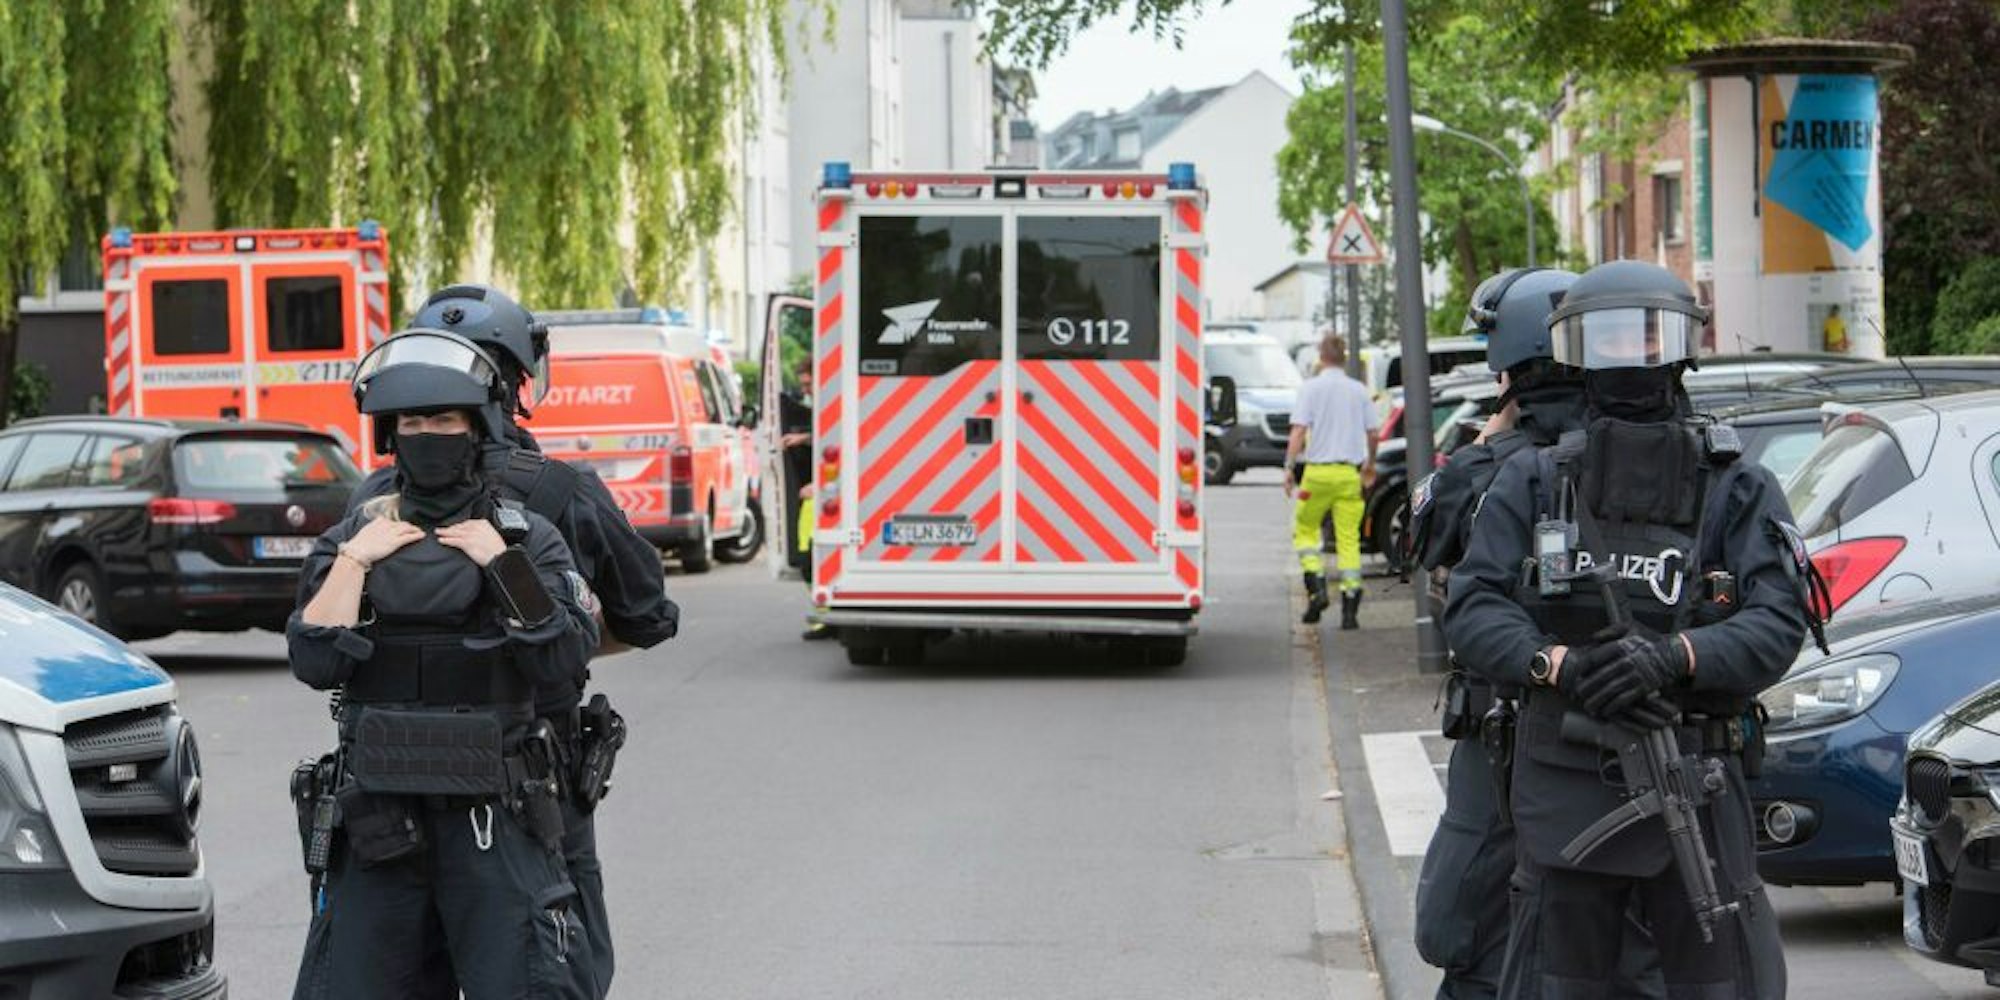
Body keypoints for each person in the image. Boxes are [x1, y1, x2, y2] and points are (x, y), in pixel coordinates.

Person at [1445, 260, 1819, 998]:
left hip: (1695, 783)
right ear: (1576, 352)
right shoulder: (1533, 480)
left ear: (1681, 348)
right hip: (1566, 786)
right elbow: (1474, 606)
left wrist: (1676, 657)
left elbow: (1780, 620)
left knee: (1723, 983)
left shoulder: (1736, 484)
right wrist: (1560, 665)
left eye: (1648, 336)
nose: (1630, 355)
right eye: (1608, 338)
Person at [298, 285, 678, 1000]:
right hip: (511, 774)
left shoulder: (375, 496)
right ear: (516, 384)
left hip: (485, 778)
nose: (426, 429)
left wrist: (524, 619)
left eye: (439, 413)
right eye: (414, 417)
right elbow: (648, 617)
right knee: (555, 964)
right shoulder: (561, 489)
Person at [1285, 333, 1377, 627]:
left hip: (1317, 475)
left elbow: (1298, 432)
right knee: (1348, 539)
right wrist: (1370, 464)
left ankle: (1317, 588)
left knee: (1305, 530)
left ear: (1321, 357)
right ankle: (1350, 608)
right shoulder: (1359, 391)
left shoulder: (1310, 389)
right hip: (1349, 475)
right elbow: (1373, 433)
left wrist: (1289, 468)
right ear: (1344, 358)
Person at [779, 353, 829, 640]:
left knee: (810, 558)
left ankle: (825, 618)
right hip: (819, 496)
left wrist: (818, 486)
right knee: (808, 557)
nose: (805, 390)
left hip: (822, 495)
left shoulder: (834, 403)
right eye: (803, 385)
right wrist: (804, 438)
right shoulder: (825, 405)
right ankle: (824, 616)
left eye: (809, 384)